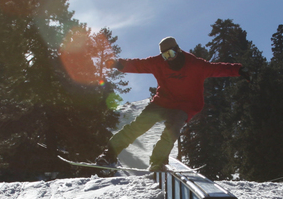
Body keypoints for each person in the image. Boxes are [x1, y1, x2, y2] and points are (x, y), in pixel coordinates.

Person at [96, 36, 251, 171]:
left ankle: (158, 161)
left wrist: (238, 70)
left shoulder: (195, 65)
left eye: (171, 53)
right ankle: (108, 154)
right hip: (162, 102)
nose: (169, 58)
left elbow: (217, 68)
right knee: (138, 126)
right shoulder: (158, 63)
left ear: (178, 50)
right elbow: (139, 65)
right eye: (165, 55)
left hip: (185, 105)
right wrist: (119, 64)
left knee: (173, 129)